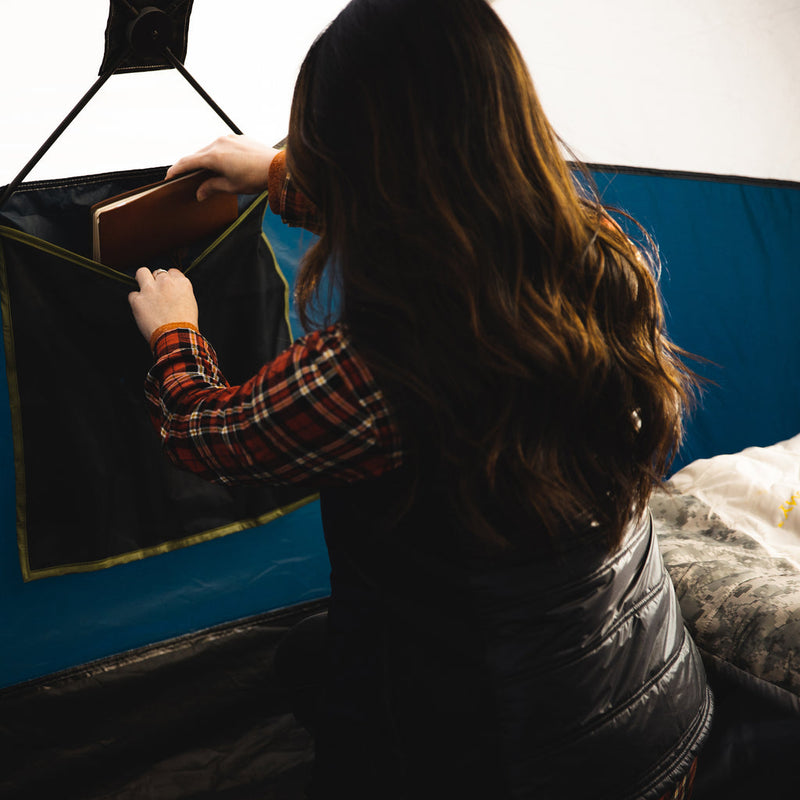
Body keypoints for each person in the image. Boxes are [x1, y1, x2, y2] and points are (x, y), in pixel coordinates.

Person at [127, 0, 713, 797]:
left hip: (523, 761)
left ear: (363, 165)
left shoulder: (380, 370)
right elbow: (440, 198)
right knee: (316, 655)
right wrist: (272, 173)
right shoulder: (602, 260)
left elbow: (212, 436)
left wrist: (174, 333)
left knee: (329, 676)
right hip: (654, 712)